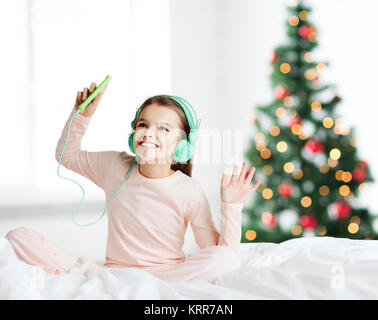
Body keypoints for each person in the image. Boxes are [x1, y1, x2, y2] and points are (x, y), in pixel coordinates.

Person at [6, 82, 261, 284]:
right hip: (112, 274)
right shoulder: (115, 166)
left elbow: (220, 253)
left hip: (166, 277)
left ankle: (147, 289)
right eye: (143, 124)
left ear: (183, 146)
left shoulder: (189, 190)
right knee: (18, 237)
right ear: (133, 134)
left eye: (164, 129)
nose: (149, 133)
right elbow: (66, 155)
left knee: (225, 259)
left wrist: (232, 206)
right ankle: (104, 281)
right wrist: (81, 116)